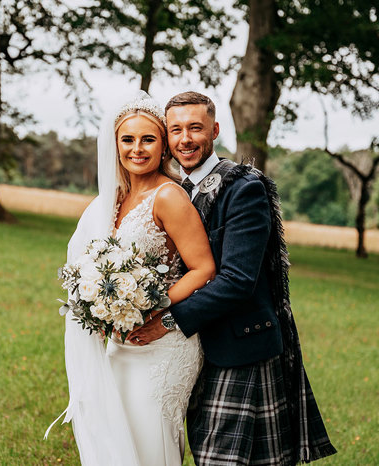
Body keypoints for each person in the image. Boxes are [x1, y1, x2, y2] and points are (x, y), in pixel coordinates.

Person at [128, 91, 337, 465]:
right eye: (175, 130)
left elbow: (237, 280)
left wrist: (168, 321)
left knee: (220, 459)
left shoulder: (243, 188)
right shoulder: (172, 190)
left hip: (240, 345)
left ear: (215, 130)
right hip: (194, 351)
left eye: (195, 128)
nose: (185, 139)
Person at [55, 91, 215, 466]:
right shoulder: (111, 199)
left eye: (148, 139)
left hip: (166, 344)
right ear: (115, 145)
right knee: (118, 439)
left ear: (163, 147)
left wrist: (154, 308)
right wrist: (102, 309)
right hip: (121, 342)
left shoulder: (169, 196)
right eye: (128, 139)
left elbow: (204, 268)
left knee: (148, 440)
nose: (137, 149)